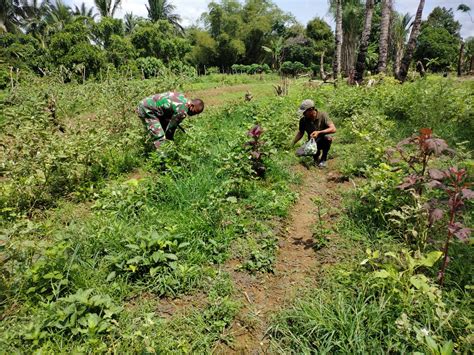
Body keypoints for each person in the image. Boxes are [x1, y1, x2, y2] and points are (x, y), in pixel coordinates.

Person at [137, 91, 204, 149]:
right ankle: (162, 160)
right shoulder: (183, 111)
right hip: (147, 109)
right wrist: (170, 142)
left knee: (162, 130)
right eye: (194, 112)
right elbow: (170, 129)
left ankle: (153, 150)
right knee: (160, 138)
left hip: (151, 107)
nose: (193, 114)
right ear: (191, 106)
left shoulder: (183, 97)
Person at [292, 99, 336, 168]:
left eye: (304, 112)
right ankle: (316, 155)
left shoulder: (322, 115)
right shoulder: (303, 120)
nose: (303, 114)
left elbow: (333, 129)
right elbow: (301, 133)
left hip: (323, 140)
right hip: (312, 143)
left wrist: (319, 132)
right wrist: (293, 142)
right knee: (298, 153)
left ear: (311, 110)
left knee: (328, 138)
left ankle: (323, 159)